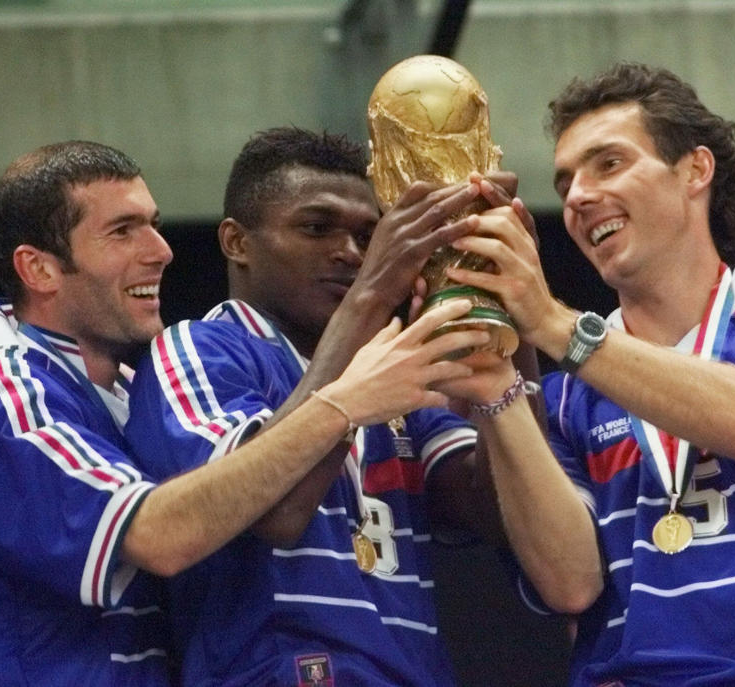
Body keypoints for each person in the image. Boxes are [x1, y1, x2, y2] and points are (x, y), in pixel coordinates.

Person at [0, 140, 480, 686]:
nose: (162, 249)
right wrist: (343, 400)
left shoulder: (119, 392)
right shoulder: (0, 397)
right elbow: (161, 537)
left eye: (154, 223)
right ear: (40, 269)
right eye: (123, 231)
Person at [439, 62, 735, 684]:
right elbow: (571, 586)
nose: (576, 196)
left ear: (695, 171)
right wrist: (497, 388)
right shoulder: (568, 398)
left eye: (609, 164)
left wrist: (551, 323)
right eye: (565, 181)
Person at [122, 127, 529, 686]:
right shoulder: (200, 348)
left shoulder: (392, 364)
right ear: (237, 242)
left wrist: (512, 314)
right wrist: (374, 294)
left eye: (368, 236)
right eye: (317, 228)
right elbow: (277, 512)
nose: (351, 253)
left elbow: (501, 509)